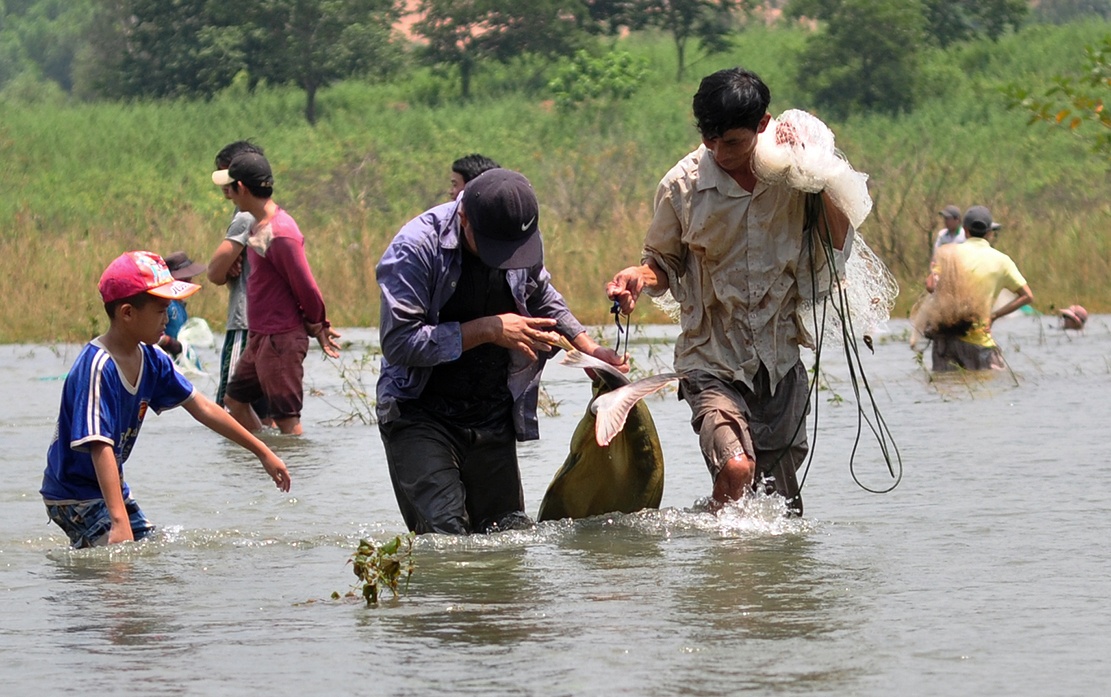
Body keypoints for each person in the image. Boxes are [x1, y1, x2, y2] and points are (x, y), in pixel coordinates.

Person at [605, 67, 854, 516]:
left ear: (762, 126)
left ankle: (731, 555)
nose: (719, 152)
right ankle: (719, 570)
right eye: (709, 140)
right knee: (737, 468)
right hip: (711, 360)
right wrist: (639, 277)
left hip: (779, 362)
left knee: (781, 508)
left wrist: (819, 169)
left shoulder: (793, 176)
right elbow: (663, 263)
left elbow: (836, 242)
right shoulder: (681, 186)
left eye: (733, 142)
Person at [376, 167, 625, 534]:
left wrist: (588, 348)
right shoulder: (415, 248)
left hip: (491, 412)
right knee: (447, 539)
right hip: (421, 413)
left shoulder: (516, 233)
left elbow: (541, 295)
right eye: (496, 250)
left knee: (507, 537)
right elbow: (399, 343)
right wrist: (489, 329)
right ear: (464, 219)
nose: (506, 260)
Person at [40, 251, 291, 549]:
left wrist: (261, 450)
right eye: (161, 310)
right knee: (119, 556)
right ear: (127, 313)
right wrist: (120, 522)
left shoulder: (153, 359)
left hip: (109, 487)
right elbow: (100, 445)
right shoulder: (98, 367)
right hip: (72, 493)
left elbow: (203, 408)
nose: (169, 318)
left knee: (149, 549)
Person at [211, 152, 341, 435]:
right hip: (260, 337)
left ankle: (293, 470)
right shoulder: (258, 226)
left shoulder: (281, 233)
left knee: (286, 419)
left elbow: (305, 285)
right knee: (235, 400)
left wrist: (319, 322)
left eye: (230, 188)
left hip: (280, 338)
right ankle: (264, 453)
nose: (228, 195)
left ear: (242, 189)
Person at [206, 140, 271, 422]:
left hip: (244, 320)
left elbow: (214, 272)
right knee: (265, 410)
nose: (225, 190)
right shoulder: (266, 213)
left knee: (229, 407)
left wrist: (227, 264)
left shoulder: (245, 215)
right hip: (267, 324)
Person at [924, 205, 1034, 371]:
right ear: (989, 232)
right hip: (979, 341)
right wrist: (994, 316)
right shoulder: (1002, 260)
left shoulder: (948, 255)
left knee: (948, 389)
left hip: (945, 341)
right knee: (988, 389)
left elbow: (931, 286)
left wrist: (933, 270)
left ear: (966, 230)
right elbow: (1027, 296)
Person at [155, 251, 206, 358]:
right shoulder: (166, 304)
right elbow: (150, 334)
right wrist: (168, 342)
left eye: (189, 279)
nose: (189, 283)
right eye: (184, 280)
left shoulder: (180, 305)